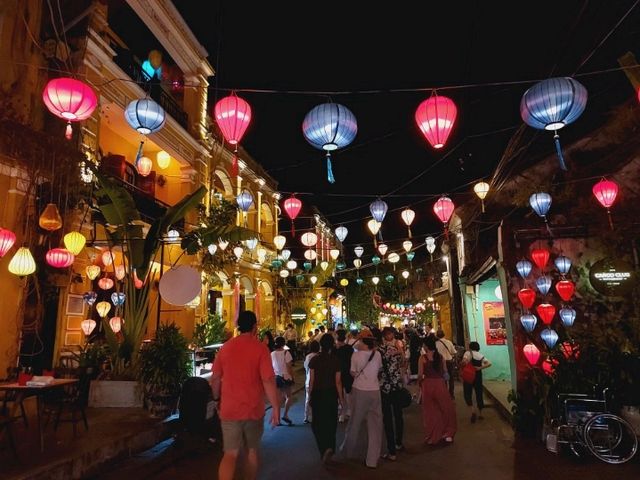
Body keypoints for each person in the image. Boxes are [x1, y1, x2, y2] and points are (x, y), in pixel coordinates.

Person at [210, 311, 280, 480]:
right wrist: (276, 407)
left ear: (238, 326)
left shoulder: (226, 348)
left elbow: (216, 378)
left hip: (229, 409)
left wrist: (217, 399)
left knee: (230, 454)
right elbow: (268, 380)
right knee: (252, 452)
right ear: (255, 327)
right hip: (253, 409)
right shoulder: (260, 349)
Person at [340, 337, 383, 469]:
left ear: (365, 345)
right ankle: (372, 459)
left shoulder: (356, 355)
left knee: (355, 421)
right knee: (375, 425)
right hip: (375, 390)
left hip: (360, 390)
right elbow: (380, 369)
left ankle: (348, 451)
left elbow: (352, 372)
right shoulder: (377, 354)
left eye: (360, 341)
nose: (357, 343)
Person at [309, 334, 344, 464]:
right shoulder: (335, 360)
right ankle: (330, 446)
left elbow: (311, 381)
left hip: (318, 394)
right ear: (332, 345)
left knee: (317, 423)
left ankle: (323, 448)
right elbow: (338, 382)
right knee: (331, 422)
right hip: (331, 394)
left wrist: (310, 396)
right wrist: (341, 399)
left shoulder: (314, 360)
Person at [418, 336, 457, 445]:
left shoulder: (422, 358)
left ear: (426, 346)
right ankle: (448, 434)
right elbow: (445, 373)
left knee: (431, 412)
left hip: (428, 385)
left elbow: (420, 375)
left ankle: (432, 437)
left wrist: (419, 384)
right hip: (440, 384)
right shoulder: (440, 357)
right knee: (446, 409)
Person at [379, 327, 405, 460]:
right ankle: (398, 442)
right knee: (398, 414)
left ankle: (392, 450)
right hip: (396, 385)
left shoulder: (380, 351)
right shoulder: (397, 350)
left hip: (385, 387)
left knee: (388, 418)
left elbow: (378, 370)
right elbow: (403, 364)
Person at [461, 341, 492, 423]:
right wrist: (480, 368)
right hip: (478, 375)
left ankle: (472, 410)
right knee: (479, 393)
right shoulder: (480, 355)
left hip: (469, 375)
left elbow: (464, 362)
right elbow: (489, 363)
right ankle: (481, 413)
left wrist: (464, 363)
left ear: (470, 347)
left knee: (467, 392)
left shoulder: (467, 353)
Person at [271, 336, 295, 425]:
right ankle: (285, 415)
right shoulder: (286, 353)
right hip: (286, 377)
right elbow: (289, 367)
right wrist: (292, 377)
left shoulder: (272, 354)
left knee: (278, 399)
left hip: (276, 377)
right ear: (283, 344)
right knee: (288, 396)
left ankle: (277, 419)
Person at [335, 329, 354, 422]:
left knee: (340, 393)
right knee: (348, 392)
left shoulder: (335, 350)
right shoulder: (349, 348)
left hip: (338, 373)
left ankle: (342, 413)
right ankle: (349, 411)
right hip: (348, 372)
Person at [436, 329, 457, 398]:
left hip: (440, 363)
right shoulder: (449, 342)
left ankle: (444, 394)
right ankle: (451, 394)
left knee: (442, 378)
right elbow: (454, 352)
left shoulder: (436, 344)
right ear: (444, 335)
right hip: (449, 361)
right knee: (451, 378)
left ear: (437, 335)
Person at [303, 340, 320, 423]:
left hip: (308, 379)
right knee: (317, 399)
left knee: (308, 398)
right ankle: (315, 416)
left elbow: (306, 367)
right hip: (318, 381)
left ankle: (306, 416)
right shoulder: (319, 357)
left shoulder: (308, 356)